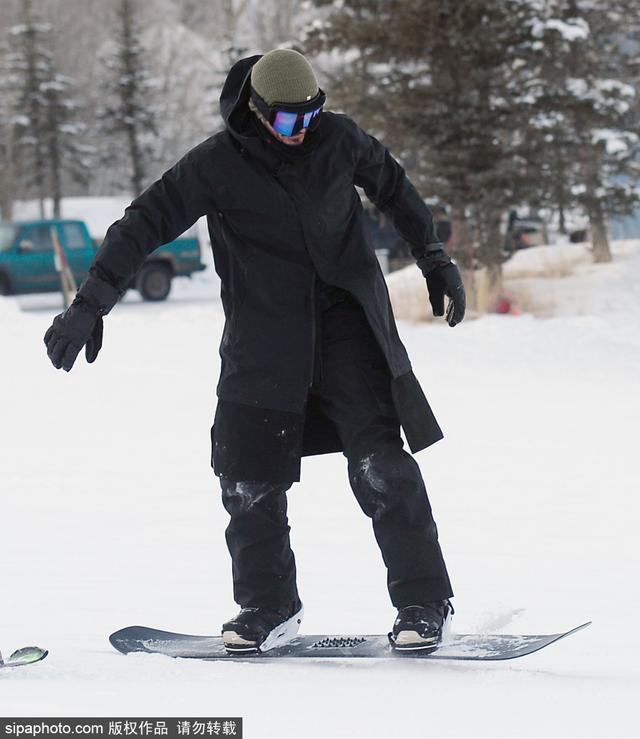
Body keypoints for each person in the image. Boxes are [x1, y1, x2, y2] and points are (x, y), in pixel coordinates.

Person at [43, 49, 466, 654]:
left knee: (382, 468)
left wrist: (434, 258)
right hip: (264, 340)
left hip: (347, 329)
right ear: (258, 111)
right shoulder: (217, 164)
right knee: (247, 482)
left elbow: (395, 189)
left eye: (311, 116)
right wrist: (91, 303)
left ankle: (426, 603)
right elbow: (144, 221)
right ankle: (268, 607)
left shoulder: (338, 139)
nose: (303, 132)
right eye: (290, 121)